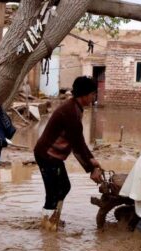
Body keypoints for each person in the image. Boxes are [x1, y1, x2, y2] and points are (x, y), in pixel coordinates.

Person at [33, 76, 103, 231]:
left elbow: (79, 141)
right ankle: (48, 227)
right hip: (47, 156)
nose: (94, 98)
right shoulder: (71, 112)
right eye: (93, 94)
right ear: (84, 95)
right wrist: (91, 169)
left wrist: (92, 160)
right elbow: (77, 145)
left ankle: (53, 219)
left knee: (64, 186)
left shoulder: (76, 108)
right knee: (53, 192)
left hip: (53, 157)